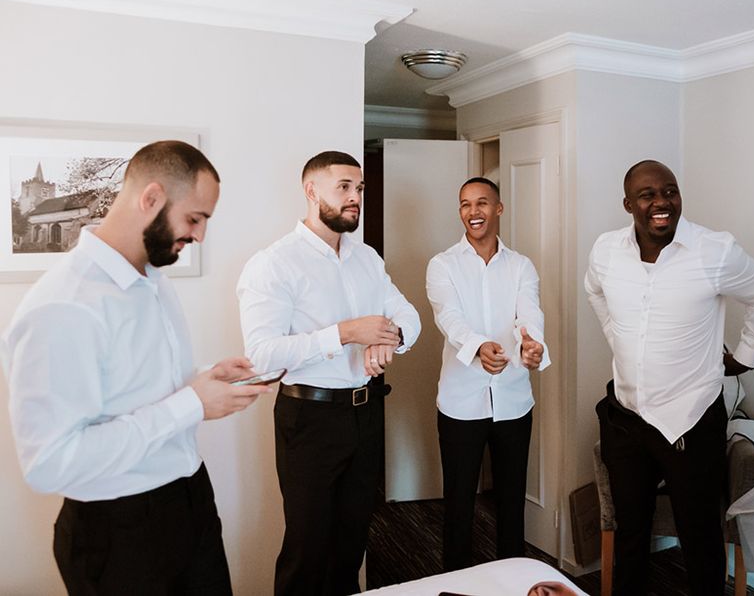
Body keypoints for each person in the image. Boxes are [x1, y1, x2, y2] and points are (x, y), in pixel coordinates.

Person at [3, 141, 272, 596]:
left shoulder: (153, 281)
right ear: (150, 199)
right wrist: (190, 404)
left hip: (190, 501)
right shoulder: (63, 306)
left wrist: (203, 377)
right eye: (195, 218)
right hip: (118, 532)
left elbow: (137, 386)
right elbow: (49, 464)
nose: (201, 235)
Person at [236, 150, 421, 596]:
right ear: (311, 190)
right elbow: (262, 356)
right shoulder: (273, 263)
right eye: (344, 187)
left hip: (367, 413)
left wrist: (386, 337)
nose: (355, 197)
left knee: (353, 544)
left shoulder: (367, 258)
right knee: (307, 549)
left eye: (359, 188)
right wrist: (343, 333)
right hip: (309, 420)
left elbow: (408, 315)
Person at [585, 159, 754, 596]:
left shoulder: (714, 250)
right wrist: (618, 338)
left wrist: (744, 356)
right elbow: (594, 290)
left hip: (691, 417)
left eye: (670, 191)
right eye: (648, 194)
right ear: (628, 203)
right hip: (626, 418)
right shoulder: (606, 251)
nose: (661, 202)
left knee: (700, 537)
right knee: (631, 532)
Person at [426, 177, 550, 572]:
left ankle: (511, 579)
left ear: (498, 208)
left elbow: (528, 312)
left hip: (513, 399)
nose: (472, 212)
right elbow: (449, 317)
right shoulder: (442, 264)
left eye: (482, 203)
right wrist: (479, 346)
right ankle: (457, 582)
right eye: (465, 204)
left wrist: (533, 344)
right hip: (461, 401)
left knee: (511, 500)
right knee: (459, 501)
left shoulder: (521, 266)